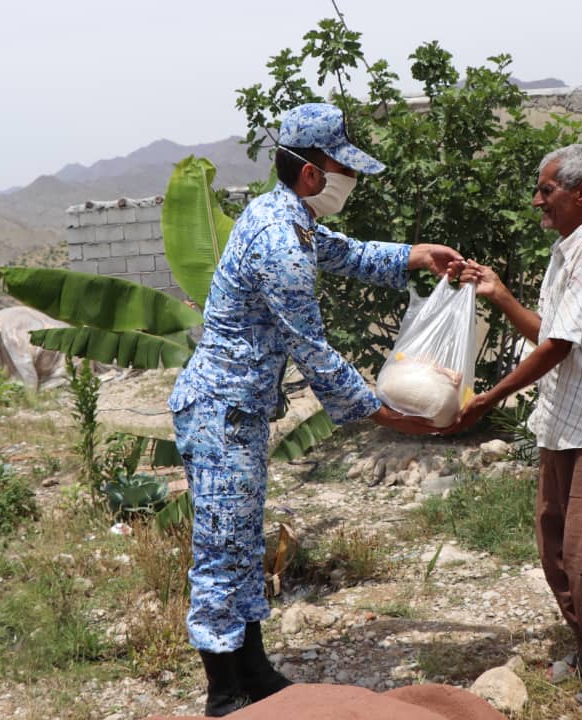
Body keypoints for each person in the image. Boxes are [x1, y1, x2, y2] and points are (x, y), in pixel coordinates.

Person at [167, 102, 460, 717]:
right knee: (222, 546)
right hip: (221, 411)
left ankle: (251, 667)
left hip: (237, 411)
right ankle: (224, 693)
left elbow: (349, 254)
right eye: (342, 169)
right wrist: (378, 413)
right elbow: (310, 346)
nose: (347, 182)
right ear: (311, 174)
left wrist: (415, 254)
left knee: (243, 541)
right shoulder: (279, 239)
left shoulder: (290, 220)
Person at [446, 144, 582, 709]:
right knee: (557, 548)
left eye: (547, 190)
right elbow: (553, 331)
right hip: (564, 422)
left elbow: (558, 345)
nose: (537, 199)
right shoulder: (569, 251)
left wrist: (491, 397)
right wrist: (501, 294)